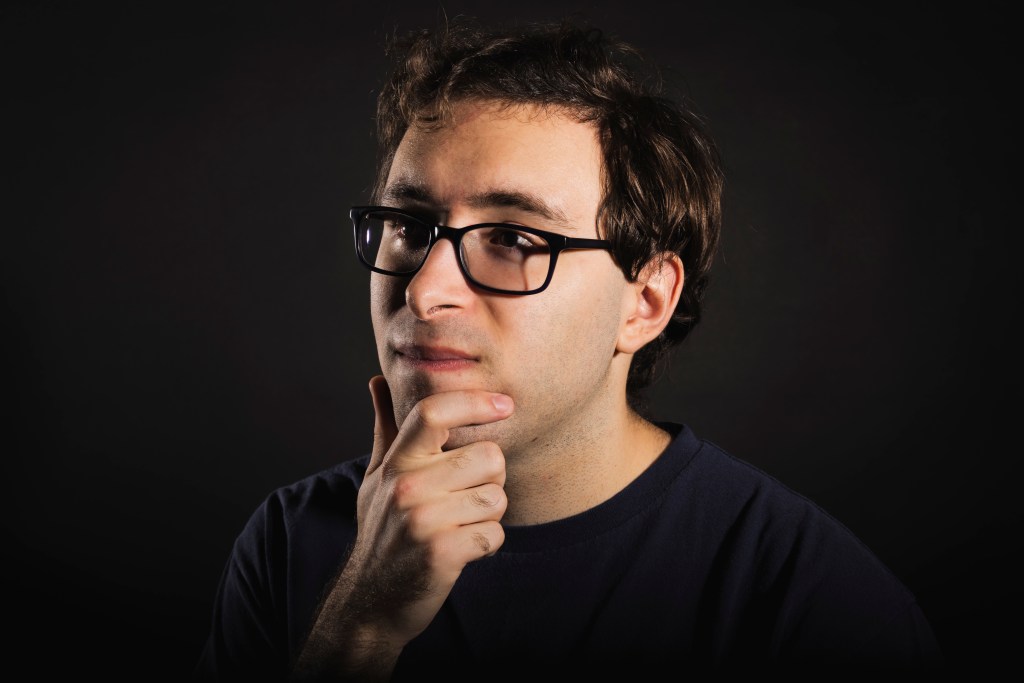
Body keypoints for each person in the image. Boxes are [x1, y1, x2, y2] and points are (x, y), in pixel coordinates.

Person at [194, 17, 944, 681]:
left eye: (514, 238)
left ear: (645, 302)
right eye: (409, 226)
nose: (424, 292)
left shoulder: (817, 604)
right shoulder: (291, 542)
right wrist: (359, 629)